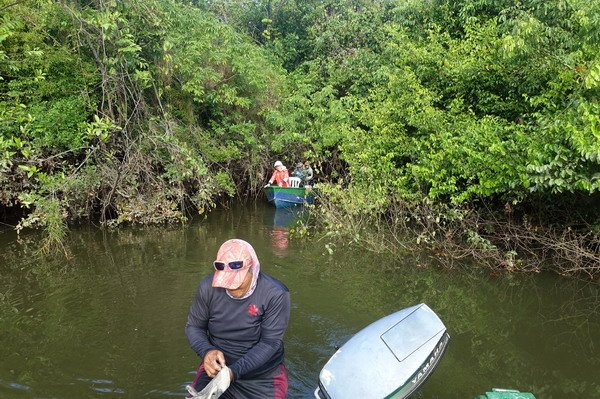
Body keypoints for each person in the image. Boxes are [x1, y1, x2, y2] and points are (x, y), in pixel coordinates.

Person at [185, 239, 291, 399]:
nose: (232, 287)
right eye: (227, 282)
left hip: (262, 375)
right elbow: (194, 327)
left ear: (253, 269)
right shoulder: (207, 288)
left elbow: (270, 342)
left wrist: (233, 372)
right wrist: (206, 351)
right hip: (217, 368)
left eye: (237, 282)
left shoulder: (275, 294)